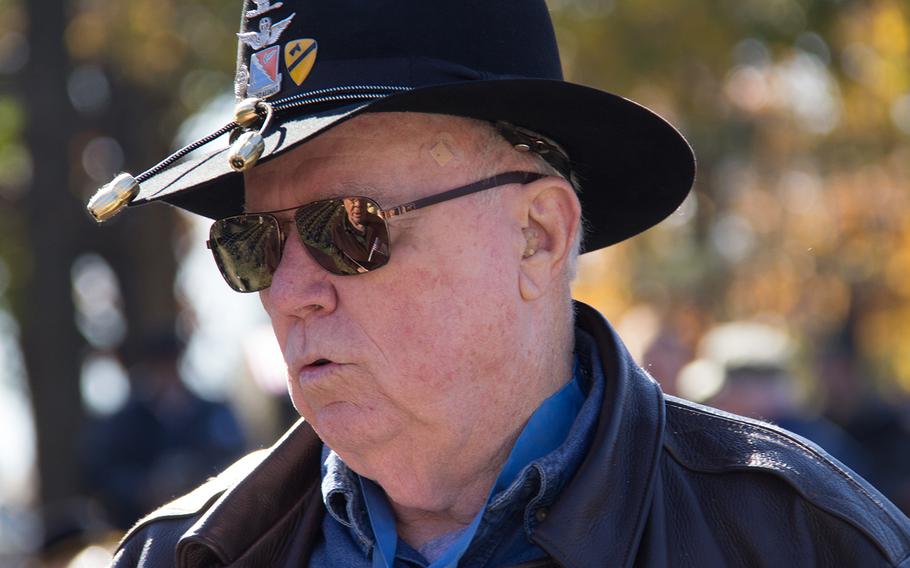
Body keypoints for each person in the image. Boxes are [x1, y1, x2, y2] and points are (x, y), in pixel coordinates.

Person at [87, 1, 910, 566]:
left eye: (352, 226)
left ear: (537, 236)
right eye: (253, 243)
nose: (293, 290)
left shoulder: (795, 541)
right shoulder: (184, 551)